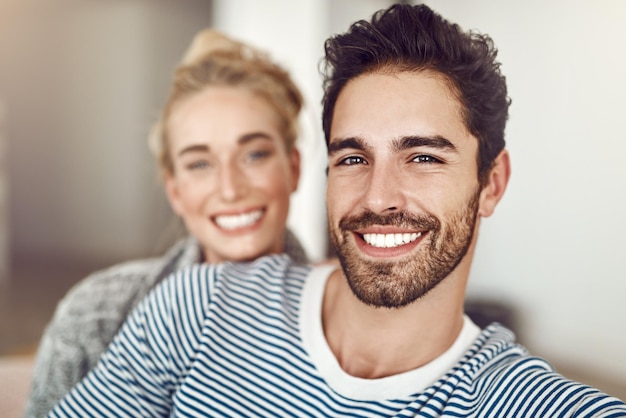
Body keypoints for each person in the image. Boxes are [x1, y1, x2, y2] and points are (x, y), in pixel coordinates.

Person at [48, 4, 626, 417]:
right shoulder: (193, 307)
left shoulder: (529, 403)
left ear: (491, 182)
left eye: (423, 156)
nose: (378, 198)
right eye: (352, 159)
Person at [26, 29, 308, 417]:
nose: (229, 189)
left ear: (293, 168)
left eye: (254, 155)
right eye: (200, 164)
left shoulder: (344, 323)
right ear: (174, 190)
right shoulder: (97, 315)